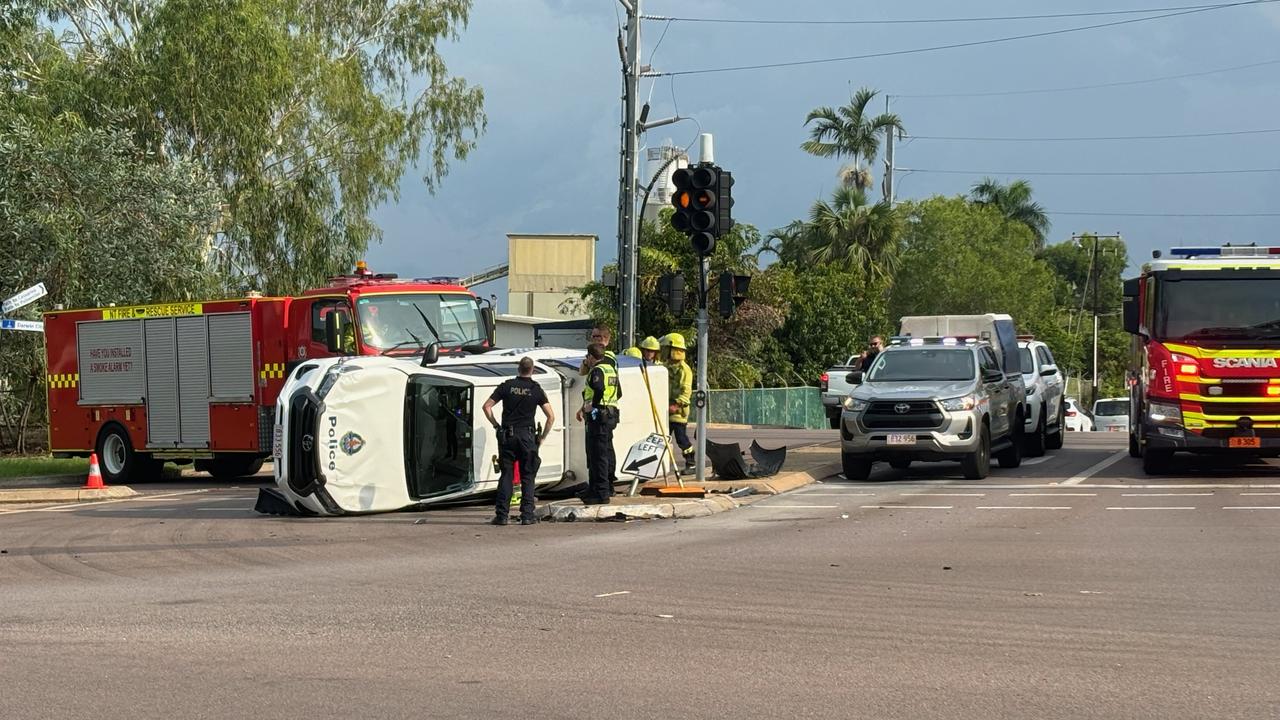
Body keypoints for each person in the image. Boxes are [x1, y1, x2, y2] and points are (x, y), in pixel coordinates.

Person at [482, 357, 555, 526]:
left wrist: (496, 426)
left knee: (506, 475)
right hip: (528, 437)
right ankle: (527, 516)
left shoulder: (506, 386)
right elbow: (551, 417)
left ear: (518, 368)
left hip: (508, 436)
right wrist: (542, 437)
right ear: (533, 370)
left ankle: (502, 516)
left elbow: (486, 406)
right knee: (528, 476)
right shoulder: (536, 390)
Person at [576, 343, 621, 504]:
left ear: (590, 357)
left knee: (598, 456)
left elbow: (599, 388)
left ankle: (601, 493)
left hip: (599, 416)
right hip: (609, 414)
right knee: (600, 453)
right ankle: (595, 490)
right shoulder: (610, 369)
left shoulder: (597, 370)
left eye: (587, 357)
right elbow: (618, 393)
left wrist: (592, 406)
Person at [666, 332, 695, 470]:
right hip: (665, 409)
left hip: (678, 412)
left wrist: (676, 405)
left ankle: (691, 461)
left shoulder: (684, 370)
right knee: (662, 438)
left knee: (681, 438)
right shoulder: (665, 366)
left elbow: (686, 391)